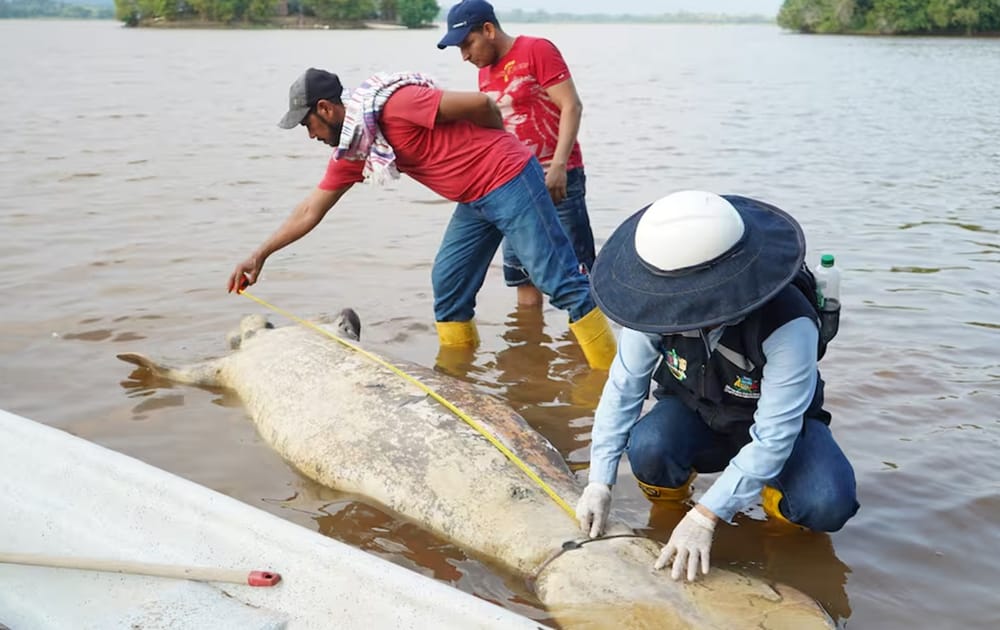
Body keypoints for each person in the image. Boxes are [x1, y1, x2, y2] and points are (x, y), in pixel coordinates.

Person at [227, 68, 616, 369]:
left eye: (306, 123)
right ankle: (458, 375)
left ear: (325, 109)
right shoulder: (357, 150)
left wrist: (495, 148)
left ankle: (608, 378)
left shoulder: (398, 104)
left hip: (509, 177)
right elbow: (310, 209)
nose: (308, 134)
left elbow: (482, 105)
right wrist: (260, 254)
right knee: (448, 284)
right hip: (473, 199)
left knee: (560, 281)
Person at [574, 190, 859, 582]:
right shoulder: (651, 309)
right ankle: (670, 515)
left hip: (780, 429)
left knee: (827, 502)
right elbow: (624, 389)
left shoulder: (790, 323)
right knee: (650, 446)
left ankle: (775, 517)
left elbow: (776, 435)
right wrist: (599, 481)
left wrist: (707, 516)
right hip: (697, 414)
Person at [437, 0, 595, 308]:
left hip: (557, 179)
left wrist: (560, 166)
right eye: (460, 49)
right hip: (517, 186)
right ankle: (529, 350)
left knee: (581, 273)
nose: (465, 56)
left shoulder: (536, 50)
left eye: (468, 44)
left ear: (488, 29)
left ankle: (590, 353)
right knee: (523, 276)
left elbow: (571, 106)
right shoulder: (484, 71)